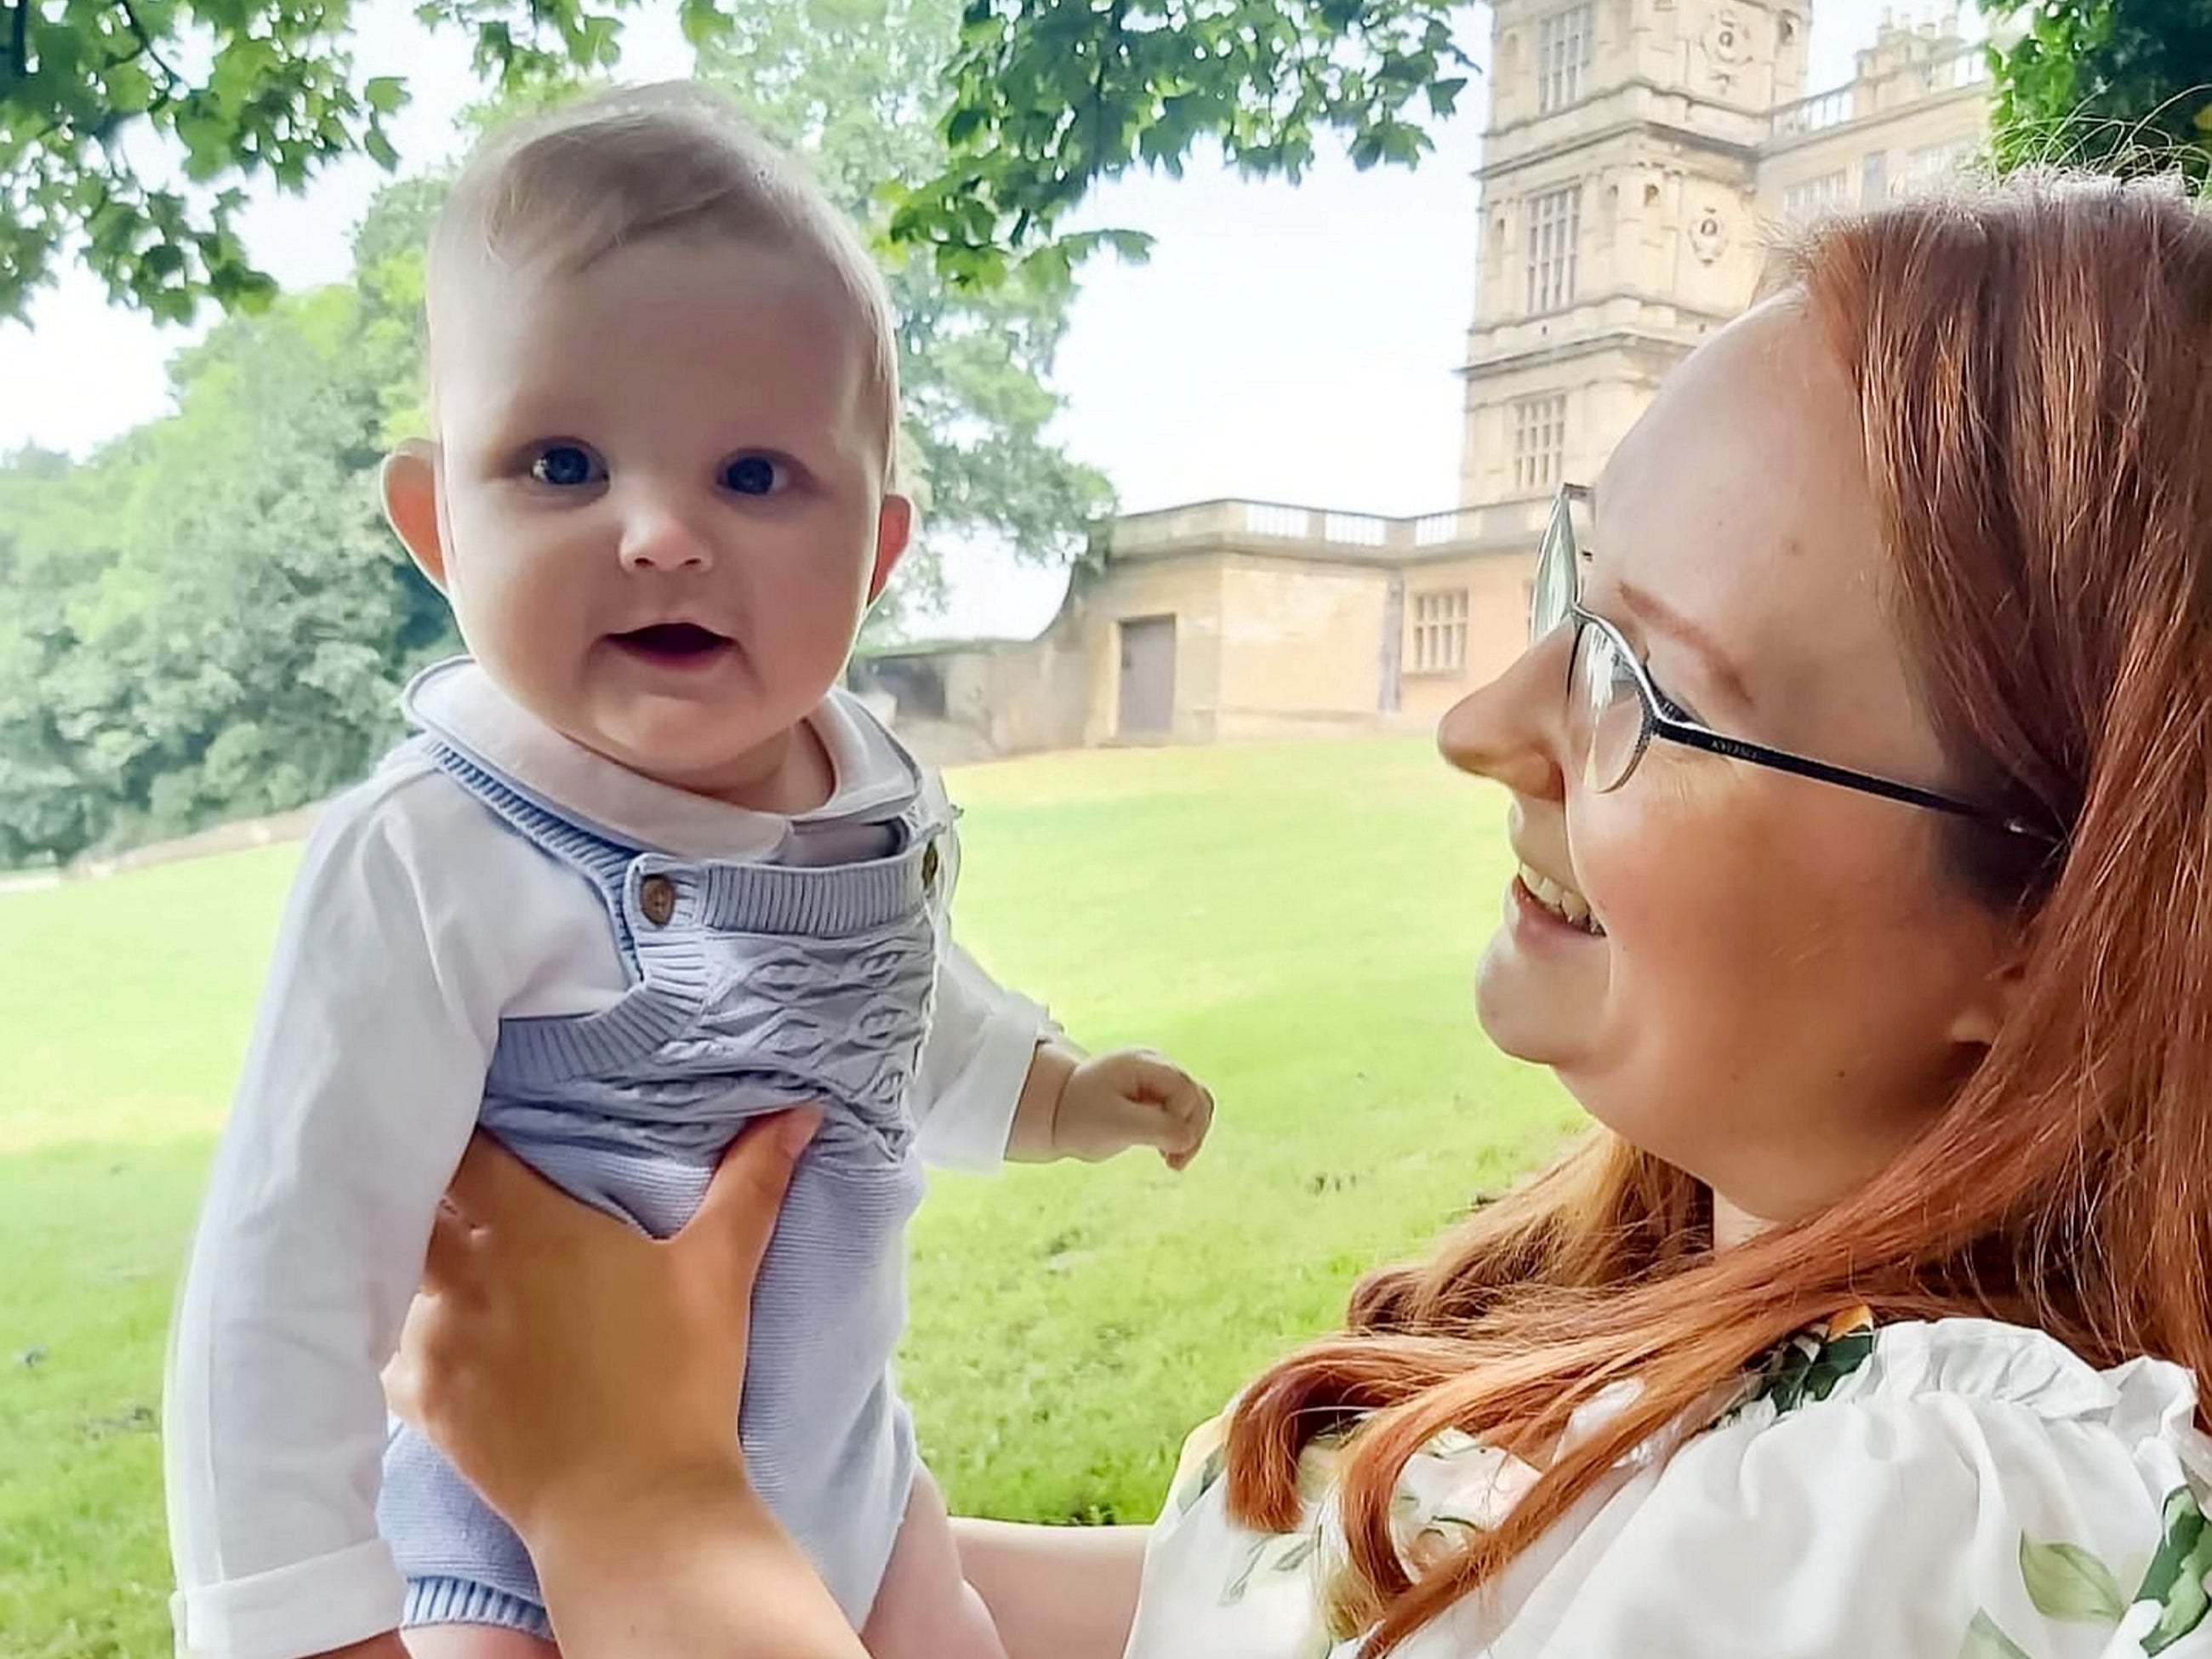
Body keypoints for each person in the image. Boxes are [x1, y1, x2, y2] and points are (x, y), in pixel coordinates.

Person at [385, 172, 2212, 1659]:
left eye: (1643, 686)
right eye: (1575, 587)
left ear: (2061, 926)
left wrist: (633, 1506)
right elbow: (1244, 1616)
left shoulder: (1899, 1543)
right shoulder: (1708, 1337)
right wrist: (765, 1494)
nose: (1478, 723)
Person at [162, 83, 1215, 1659]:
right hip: (511, 1547)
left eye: (754, 476)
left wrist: (1043, 1089)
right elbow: (281, 1286)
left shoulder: (853, 794)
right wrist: (308, 1628)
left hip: (853, 1493)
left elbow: (883, 993)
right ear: (436, 523)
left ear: (875, 550)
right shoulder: (438, 855)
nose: (658, 531)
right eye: (564, 463)